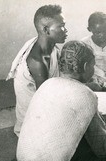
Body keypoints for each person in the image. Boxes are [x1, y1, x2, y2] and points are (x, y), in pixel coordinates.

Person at [16, 41, 106, 161]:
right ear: (86, 66)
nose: (93, 71)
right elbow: (101, 149)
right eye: (93, 66)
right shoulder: (86, 95)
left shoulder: (47, 84)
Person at [6, 4, 67, 137]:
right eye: (61, 26)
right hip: (33, 126)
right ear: (46, 30)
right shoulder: (37, 61)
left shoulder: (49, 47)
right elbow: (45, 104)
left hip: (45, 108)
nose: (65, 30)